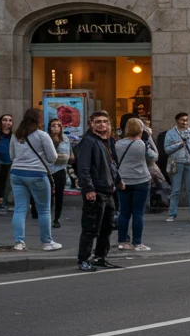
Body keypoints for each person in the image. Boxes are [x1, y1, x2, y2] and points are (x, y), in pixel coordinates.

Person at [9, 108, 61, 253]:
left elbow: (12, 156)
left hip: (16, 173)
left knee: (20, 208)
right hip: (37, 173)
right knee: (44, 209)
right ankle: (46, 242)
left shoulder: (16, 135)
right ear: (39, 119)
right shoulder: (42, 135)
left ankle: (19, 242)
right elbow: (53, 157)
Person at [75, 110, 119, 270]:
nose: (102, 124)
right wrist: (88, 188)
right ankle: (83, 260)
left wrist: (118, 181)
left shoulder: (106, 141)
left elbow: (111, 164)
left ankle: (100, 256)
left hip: (108, 190)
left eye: (105, 122)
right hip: (96, 191)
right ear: (91, 124)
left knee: (107, 228)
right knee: (90, 228)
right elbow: (84, 167)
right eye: (98, 122)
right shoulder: (88, 141)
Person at [115, 116, 158, 253]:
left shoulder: (118, 144)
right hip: (140, 180)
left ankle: (122, 241)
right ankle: (137, 242)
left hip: (123, 180)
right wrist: (149, 138)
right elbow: (154, 156)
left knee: (124, 212)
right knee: (138, 213)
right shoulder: (142, 144)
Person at [164, 112, 190, 223]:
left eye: (186, 120)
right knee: (175, 189)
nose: (184, 122)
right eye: (182, 120)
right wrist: (179, 144)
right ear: (177, 121)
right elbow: (167, 149)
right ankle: (172, 213)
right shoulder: (171, 133)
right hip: (177, 163)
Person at [48, 118, 71, 228]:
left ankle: (57, 217)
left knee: (59, 194)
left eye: (58, 125)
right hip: (47, 169)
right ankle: (47, 215)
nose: (56, 127)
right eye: (53, 125)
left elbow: (65, 156)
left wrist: (55, 157)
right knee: (48, 194)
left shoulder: (65, 138)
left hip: (60, 169)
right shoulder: (46, 138)